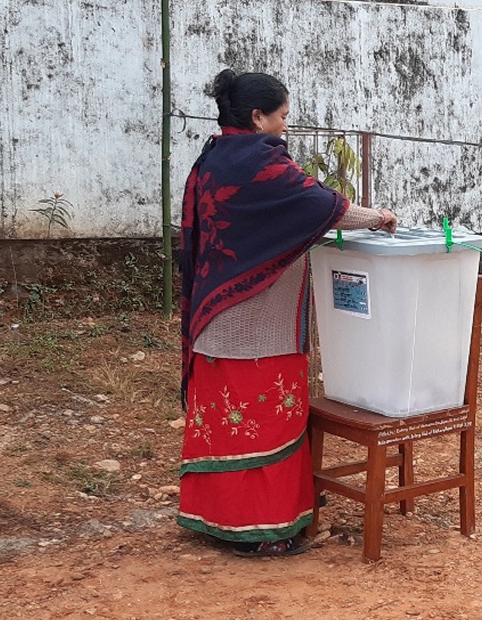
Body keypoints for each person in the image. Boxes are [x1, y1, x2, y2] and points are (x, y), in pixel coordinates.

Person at [178, 69, 397, 557]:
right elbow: (323, 206)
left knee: (225, 426)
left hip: (214, 320)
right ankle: (258, 532)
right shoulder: (261, 163)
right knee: (264, 423)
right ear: (257, 117)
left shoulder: (212, 158)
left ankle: (213, 519)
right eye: (281, 117)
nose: (284, 127)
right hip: (257, 327)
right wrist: (379, 218)